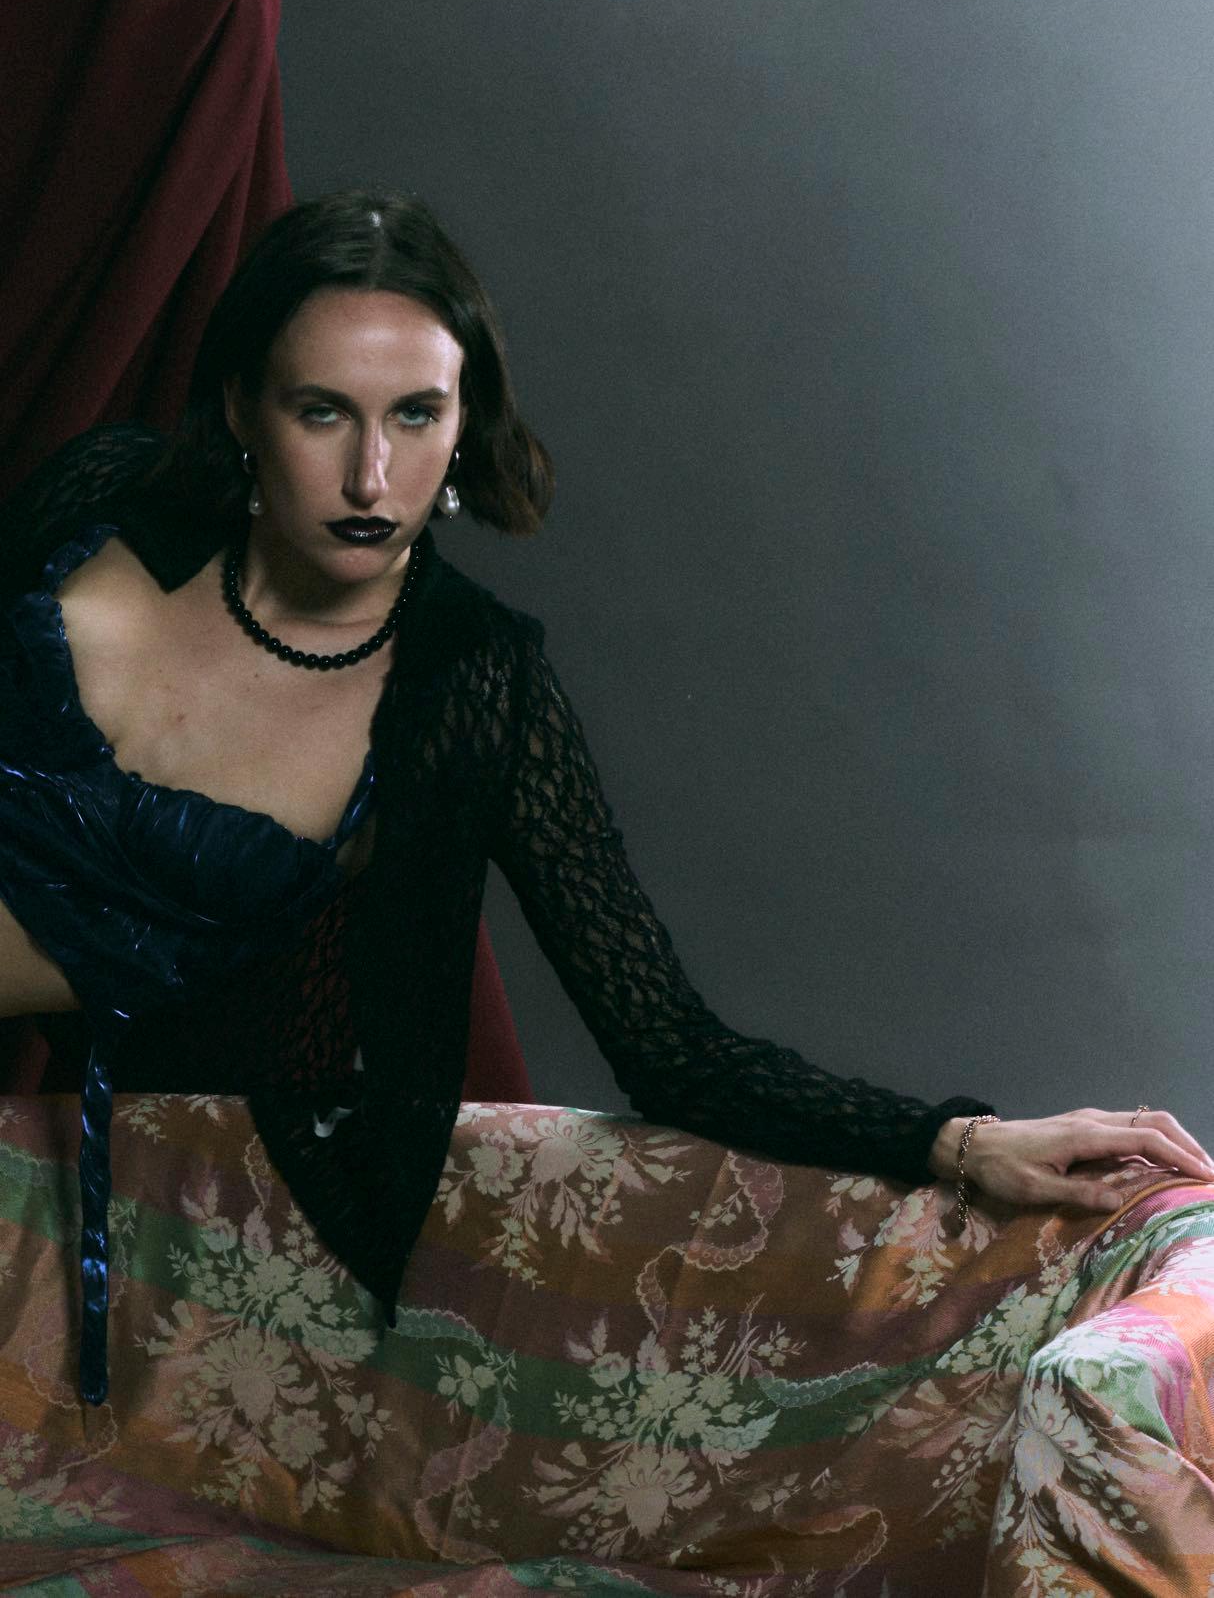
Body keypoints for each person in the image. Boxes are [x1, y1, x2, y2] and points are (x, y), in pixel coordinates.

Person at [1, 190, 1210, 1407]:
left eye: (416, 413)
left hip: (150, 1199)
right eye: (323, 410)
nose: (372, 473)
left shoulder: (468, 685)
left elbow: (667, 1042)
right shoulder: (105, 500)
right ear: (241, 408)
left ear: (464, 421)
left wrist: (960, 1139)